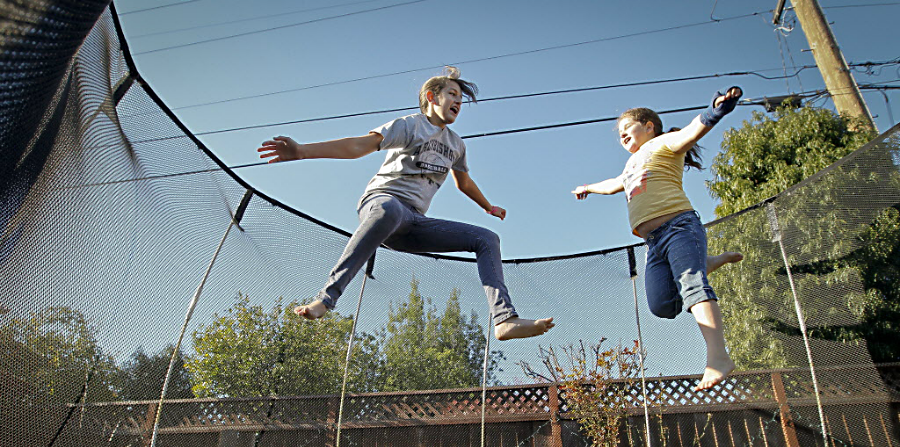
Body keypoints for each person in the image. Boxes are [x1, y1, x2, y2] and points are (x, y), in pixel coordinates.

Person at [258, 67, 554, 341]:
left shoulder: (456, 144)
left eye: (461, 100)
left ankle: (504, 319)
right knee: (390, 210)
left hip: (413, 223)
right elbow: (359, 146)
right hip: (383, 203)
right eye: (452, 94)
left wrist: (488, 207)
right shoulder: (410, 126)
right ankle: (326, 298)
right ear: (431, 97)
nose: (457, 102)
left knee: (487, 238)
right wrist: (302, 151)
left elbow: (463, 182)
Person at [571, 87, 744, 390]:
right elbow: (614, 184)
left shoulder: (663, 143)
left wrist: (717, 110)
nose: (622, 136)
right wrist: (588, 187)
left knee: (692, 286)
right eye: (619, 134)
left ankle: (718, 357)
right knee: (662, 305)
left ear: (649, 126)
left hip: (679, 227)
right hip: (654, 243)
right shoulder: (630, 165)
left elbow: (692, 132)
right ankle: (703, 262)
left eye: (628, 129)